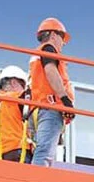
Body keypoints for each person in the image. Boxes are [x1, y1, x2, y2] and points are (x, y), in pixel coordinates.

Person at [28, 18, 75, 167]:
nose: (63, 43)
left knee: (40, 149)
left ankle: (35, 180)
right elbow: (51, 71)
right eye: (62, 38)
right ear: (54, 35)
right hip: (50, 107)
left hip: (37, 109)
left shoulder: (36, 55)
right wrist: (65, 99)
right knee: (45, 152)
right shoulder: (49, 49)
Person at [0, 65, 33, 162]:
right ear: (14, 82)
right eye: (23, 86)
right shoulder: (18, 97)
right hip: (17, 153)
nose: (23, 89)